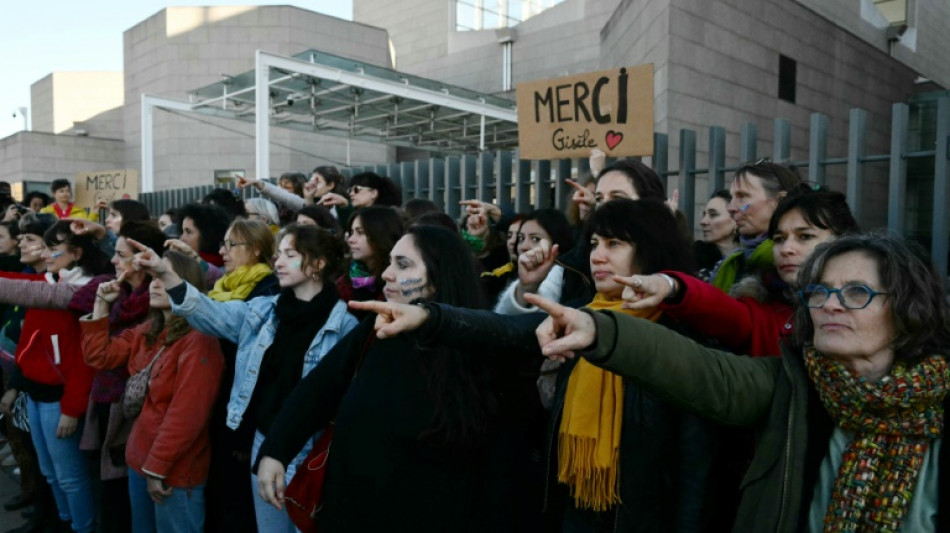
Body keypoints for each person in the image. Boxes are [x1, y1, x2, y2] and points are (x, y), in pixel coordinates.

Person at [529, 232, 950, 532]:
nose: (830, 305)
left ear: (907, 307)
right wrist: (601, 329)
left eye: (856, 292)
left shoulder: (936, 405)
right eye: (819, 292)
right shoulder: (791, 384)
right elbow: (701, 371)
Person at [349, 201, 711, 532]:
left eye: (614, 244)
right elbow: (505, 329)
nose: (598, 255)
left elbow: (694, 472)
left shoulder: (683, 336)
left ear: (650, 250)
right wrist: (430, 317)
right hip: (575, 508)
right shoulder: (581, 315)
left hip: (641, 518)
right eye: (595, 243)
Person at [256, 225, 544, 532]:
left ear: (438, 277)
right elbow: (320, 386)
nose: (387, 275)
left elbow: (503, 466)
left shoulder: (478, 349)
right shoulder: (378, 326)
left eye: (403, 265)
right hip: (352, 510)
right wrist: (276, 449)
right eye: (390, 262)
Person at [131, 223, 357, 533]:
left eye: (290, 255)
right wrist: (166, 273)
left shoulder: (346, 326)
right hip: (264, 442)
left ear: (318, 263)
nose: (277, 262)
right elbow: (208, 312)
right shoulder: (263, 311)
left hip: (312, 451)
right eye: (278, 254)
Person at [623, 186, 859, 357]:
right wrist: (670, 286)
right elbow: (722, 311)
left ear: (843, 241)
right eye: (779, 238)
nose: (787, 249)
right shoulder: (761, 311)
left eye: (805, 236)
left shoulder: (879, 306)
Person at [80, 250, 223, 533]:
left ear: (187, 285)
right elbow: (100, 357)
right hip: (140, 458)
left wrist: (158, 467)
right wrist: (100, 306)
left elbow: (187, 415)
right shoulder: (150, 329)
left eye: (165, 277)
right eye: (154, 277)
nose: (155, 284)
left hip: (175, 470)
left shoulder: (200, 340)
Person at [0, 220, 114, 533]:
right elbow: (29, 340)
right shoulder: (53, 279)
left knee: (70, 477)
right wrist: (17, 387)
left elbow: (84, 360)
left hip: (59, 400)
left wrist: (71, 408)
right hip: (35, 394)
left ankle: (83, 527)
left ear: (77, 253)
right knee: (50, 472)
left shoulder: (86, 292)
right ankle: (64, 522)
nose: (46, 254)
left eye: (53, 248)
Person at [201, 218, 279, 533]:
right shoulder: (223, 286)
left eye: (233, 245)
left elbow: (261, 368)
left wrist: (246, 431)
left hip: (245, 417)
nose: (224, 252)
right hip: (221, 403)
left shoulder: (268, 288)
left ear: (257, 249)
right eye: (223, 244)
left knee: (238, 501)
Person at [710, 159, 800, 291]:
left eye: (742, 196)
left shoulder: (798, 262)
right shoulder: (731, 263)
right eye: (732, 198)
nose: (731, 207)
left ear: (779, 200)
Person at [337, 207, 404, 314]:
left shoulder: (400, 281)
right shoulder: (344, 283)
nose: (351, 240)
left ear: (381, 234)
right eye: (351, 232)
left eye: (360, 232)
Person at [695, 189, 738, 279]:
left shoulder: (751, 259)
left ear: (736, 220)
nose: (703, 221)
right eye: (704, 215)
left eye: (713, 214)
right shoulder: (693, 257)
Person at [176, 203, 231, 267]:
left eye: (188, 232)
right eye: (182, 232)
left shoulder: (223, 269)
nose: (182, 238)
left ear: (208, 236)